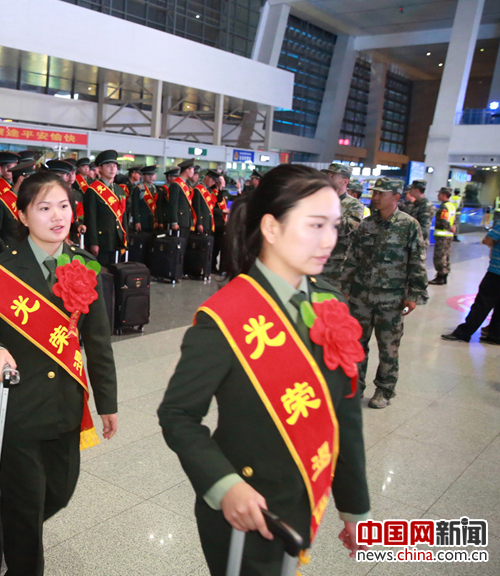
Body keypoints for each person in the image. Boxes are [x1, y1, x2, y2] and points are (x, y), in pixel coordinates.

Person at [158, 164, 370, 576]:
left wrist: (354, 506)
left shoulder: (332, 305)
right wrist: (225, 485)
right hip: (245, 513)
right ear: (271, 228)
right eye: (315, 225)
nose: (328, 241)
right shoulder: (225, 317)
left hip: (304, 499)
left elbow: (344, 412)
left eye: (334, 226)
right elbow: (178, 416)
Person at [0, 169, 118, 576]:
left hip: (66, 407)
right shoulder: (1, 269)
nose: (56, 216)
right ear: (24, 215)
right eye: (44, 208)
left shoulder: (85, 266)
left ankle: (7, 527)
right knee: (27, 504)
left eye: (63, 206)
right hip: (19, 408)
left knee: (60, 493)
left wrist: (107, 403)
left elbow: (98, 343)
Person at [342, 178, 427, 409]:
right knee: (357, 344)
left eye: (381, 193)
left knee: (388, 346)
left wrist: (415, 293)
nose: (376, 197)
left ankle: (384, 390)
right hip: (361, 296)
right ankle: (355, 386)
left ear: (396, 197)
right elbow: (353, 258)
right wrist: (345, 288)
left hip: (391, 298)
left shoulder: (409, 225)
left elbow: (417, 261)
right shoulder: (367, 224)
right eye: (375, 192)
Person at [442, 220, 500, 344]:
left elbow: (487, 241)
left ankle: (464, 333)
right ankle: (495, 335)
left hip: (496, 271)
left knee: (482, 303)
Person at [320, 163, 365, 290]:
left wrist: (329, 206)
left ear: (345, 181)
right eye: (328, 175)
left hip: (335, 267)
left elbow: (348, 228)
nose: (328, 178)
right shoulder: (318, 198)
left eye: (333, 176)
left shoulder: (354, 205)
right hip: (313, 260)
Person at [85, 150, 127, 266]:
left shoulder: (119, 190)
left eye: (114, 166)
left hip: (117, 237)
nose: (112, 169)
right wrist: (93, 242)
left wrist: (125, 236)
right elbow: (91, 218)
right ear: (100, 169)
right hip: (102, 239)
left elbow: (123, 215)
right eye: (108, 166)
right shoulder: (93, 190)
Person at [0, 161, 35, 255]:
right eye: (31, 179)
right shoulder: (1, 202)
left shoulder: (31, 200)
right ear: (21, 179)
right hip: (9, 254)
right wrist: (6, 252)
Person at [430, 187, 455, 285]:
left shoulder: (444, 207)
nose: (438, 195)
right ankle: (444, 276)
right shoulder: (451, 206)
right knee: (446, 255)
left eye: (439, 194)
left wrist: (448, 227)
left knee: (439, 256)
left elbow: (444, 220)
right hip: (448, 235)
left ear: (444, 195)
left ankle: (440, 277)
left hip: (442, 235)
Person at [167, 163, 195, 235]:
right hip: (179, 221)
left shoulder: (186, 184)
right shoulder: (176, 185)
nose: (193, 172)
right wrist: (174, 222)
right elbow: (173, 204)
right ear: (187, 170)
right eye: (192, 169)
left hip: (186, 220)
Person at [131, 165, 157, 234]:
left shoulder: (155, 188)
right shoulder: (138, 188)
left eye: (152, 174)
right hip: (142, 221)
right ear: (144, 176)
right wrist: (137, 221)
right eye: (148, 174)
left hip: (153, 221)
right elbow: (135, 207)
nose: (151, 177)